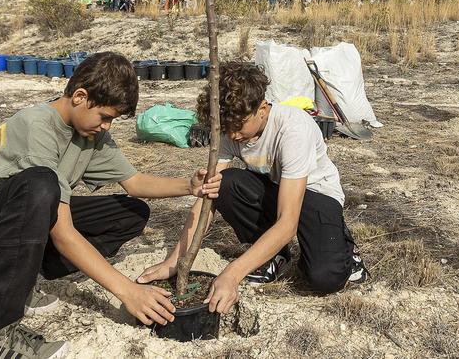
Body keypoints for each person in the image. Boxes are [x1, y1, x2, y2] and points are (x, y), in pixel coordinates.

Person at [0, 52, 222, 359]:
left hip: (9, 224)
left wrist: (189, 186)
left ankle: (13, 278)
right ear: (80, 96)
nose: (108, 126)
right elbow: (63, 233)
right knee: (42, 184)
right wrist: (128, 291)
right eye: (105, 117)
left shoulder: (90, 135)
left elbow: (134, 183)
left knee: (130, 213)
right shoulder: (35, 127)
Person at [140, 62, 367, 314]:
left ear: (262, 108)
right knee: (224, 183)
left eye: (239, 126)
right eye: (227, 128)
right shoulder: (231, 130)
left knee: (324, 278)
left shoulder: (293, 130)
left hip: (316, 197)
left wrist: (232, 273)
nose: (234, 135)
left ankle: (346, 251)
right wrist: (174, 261)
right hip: (276, 189)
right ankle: (274, 256)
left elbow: (287, 221)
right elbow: (207, 199)